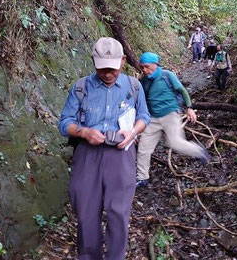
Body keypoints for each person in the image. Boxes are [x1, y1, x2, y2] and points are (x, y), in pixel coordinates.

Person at [59, 37, 150, 260]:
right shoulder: (81, 87)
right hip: (87, 154)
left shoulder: (134, 86)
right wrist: (84, 132)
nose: (107, 73)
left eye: (112, 68)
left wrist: (133, 132)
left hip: (121, 154)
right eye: (102, 69)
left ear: (123, 60)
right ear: (93, 61)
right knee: (86, 213)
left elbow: (144, 116)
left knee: (118, 212)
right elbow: (64, 123)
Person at [136, 52, 210, 188]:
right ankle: (142, 178)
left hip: (170, 114)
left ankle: (199, 151)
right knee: (143, 149)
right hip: (153, 118)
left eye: (146, 67)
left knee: (175, 142)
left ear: (155, 64)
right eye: (142, 67)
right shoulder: (144, 81)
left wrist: (189, 108)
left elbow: (182, 90)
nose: (144, 70)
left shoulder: (167, 75)